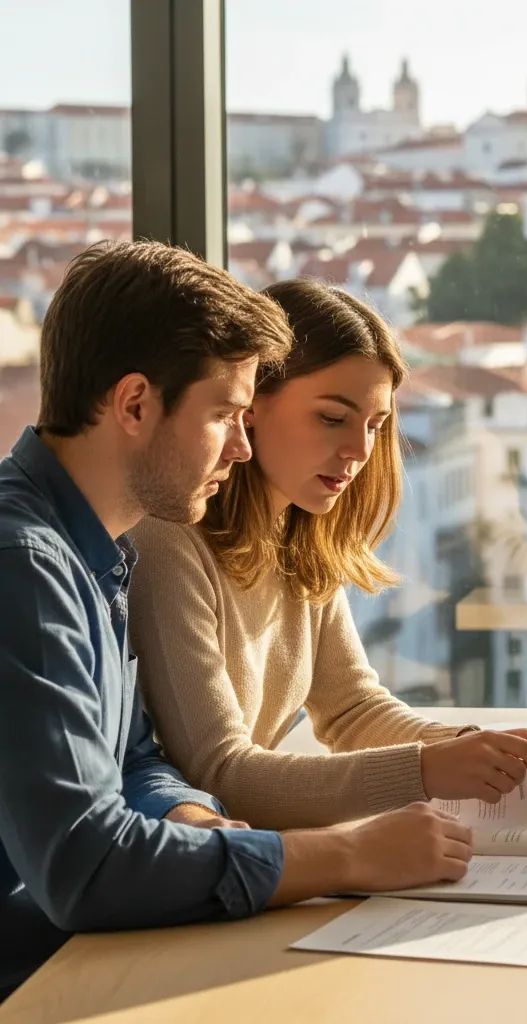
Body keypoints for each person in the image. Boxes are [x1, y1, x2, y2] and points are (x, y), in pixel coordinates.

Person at [0, 243, 489, 1001]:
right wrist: (344, 856)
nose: (241, 441)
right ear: (134, 405)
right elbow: (84, 868)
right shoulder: (26, 565)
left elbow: (135, 758)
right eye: (227, 413)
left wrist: (197, 819)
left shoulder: (94, 553)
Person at [129, 278, 527, 830]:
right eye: (332, 417)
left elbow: (352, 709)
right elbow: (220, 775)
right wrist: (426, 769)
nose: (360, 451)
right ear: (250, 402)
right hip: (189, 864)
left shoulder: (299, 535)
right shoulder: (169, 539)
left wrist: (471, 749)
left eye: (376, 425)